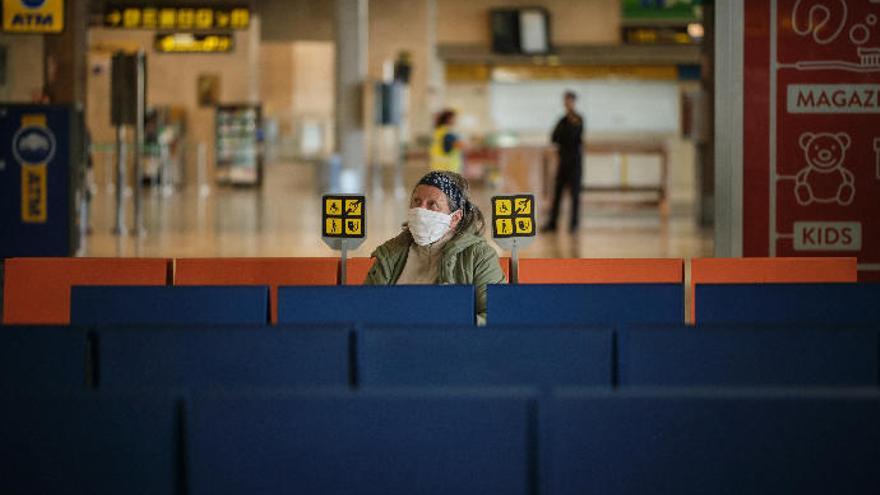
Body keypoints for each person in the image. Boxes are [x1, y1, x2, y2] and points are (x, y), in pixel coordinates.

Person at [365, 170, 506, 324]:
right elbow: (366, 308)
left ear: (455, 218)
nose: (421, 210)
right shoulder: (390, 254)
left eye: (432, 205)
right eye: (417, 202)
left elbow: (498, 314)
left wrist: (456, 326)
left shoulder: (478, 256)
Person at [543, 90, 585, 233]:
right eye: (565, 100)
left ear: (573, 102)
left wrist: (564, 137)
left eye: (569, 100)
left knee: (574, 195)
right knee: (557, 194)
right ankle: (552, 223)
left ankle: (573, 225)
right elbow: (554, 136)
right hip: (563, 162)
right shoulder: (562, 119)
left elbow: (573, 137)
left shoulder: (578, 119)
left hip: (575, 163)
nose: (567, 103)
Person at [430, 109, 464, 173]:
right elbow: (460, 145)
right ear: (449, 119)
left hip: (437, 167)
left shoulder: (438, 131)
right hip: (449, 168)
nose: (456, 120)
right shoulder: (448, 133)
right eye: (454, 118)